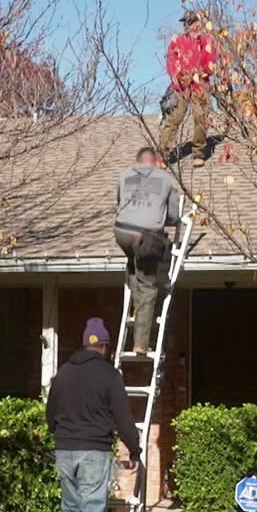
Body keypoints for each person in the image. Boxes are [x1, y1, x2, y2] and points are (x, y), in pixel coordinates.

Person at [46, 316, 142, 512]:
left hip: (65, 450)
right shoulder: (110, 376)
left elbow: (50, 414)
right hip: (93, 450)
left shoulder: (63, 372)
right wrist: (134, 449)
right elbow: (124, 419)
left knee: (71, 511)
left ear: (84, 343)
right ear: (105, 346)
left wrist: (60, 435)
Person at [113, 147, 182, 356]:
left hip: (122, 232)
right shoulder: (166, 179)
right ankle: (141, 343)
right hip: (146, 237)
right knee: (149, 287)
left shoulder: (124, 175)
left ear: (138, 161)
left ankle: (137, 302)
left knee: (135, 268)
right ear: (157, 161)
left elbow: (120, 203)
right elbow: (173, 215)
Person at [159, 9, 218, 166]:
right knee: (173, 119)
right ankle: (162, 155)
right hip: (180, 87)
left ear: (199, 23)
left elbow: (211, 65)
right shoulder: (177, 40)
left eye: (192, 22)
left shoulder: (207, 42)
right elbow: (171, 61)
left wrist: (200, 73)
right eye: (186, 22)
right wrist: (176, 76)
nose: (189, 25)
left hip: (200, 85)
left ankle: (198, 152)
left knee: (200, 118)